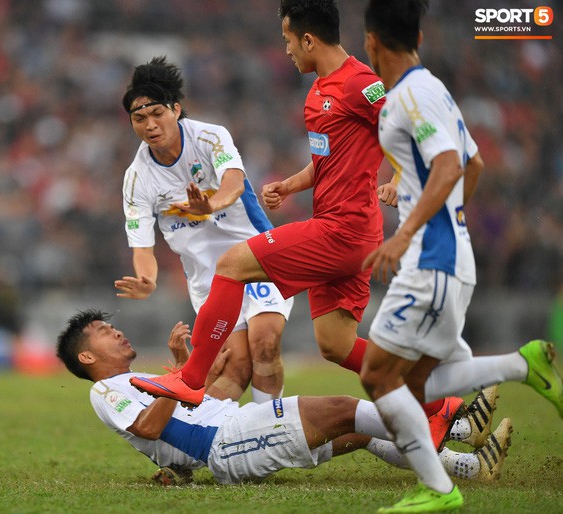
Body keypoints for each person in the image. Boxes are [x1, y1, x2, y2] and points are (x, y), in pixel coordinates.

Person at [128, 0, 450, 429]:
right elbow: (326, 162)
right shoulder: (317, 92)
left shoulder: (362, 84)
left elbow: (409, 130)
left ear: (309, 39)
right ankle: (440, 406)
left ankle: (190, 378)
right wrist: (291, 184)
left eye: (287, 41)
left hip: (344, 229)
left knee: (232, 264)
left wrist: (398, 178)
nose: (286, 51)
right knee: (335, 344)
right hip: (344, 229)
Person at [359, 1, 563, 512]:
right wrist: (428, 203)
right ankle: (523, 364)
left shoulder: (404, 98)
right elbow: (472, 165)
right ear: (419, 39)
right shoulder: (435, 90)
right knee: (417, 382)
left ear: (370, 42)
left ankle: (438, 488)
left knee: (378, 377)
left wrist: (409, 231)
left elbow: (452, 165)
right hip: (450, 258)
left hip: (430, 263)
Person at [56, 309, 512, 488]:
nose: (116, 331)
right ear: (88, 354)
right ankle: (457, 425)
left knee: (355, 430)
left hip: (235, 427)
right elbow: (151, 429)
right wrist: (177, 376)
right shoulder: (105, 390)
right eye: (103, 332)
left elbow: (187, 410)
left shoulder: (137, 380)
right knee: (340, 407)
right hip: (226, 445)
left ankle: (467, 465)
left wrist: (185, 373)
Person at [117, 56, 293, 403]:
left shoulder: (211, 137)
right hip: (208, 281)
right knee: (237, 365)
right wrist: (147, 279)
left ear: (176, 109)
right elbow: (143, 247)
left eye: (157, 114)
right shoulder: (136, 178)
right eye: (139, 119)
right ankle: (193, 448)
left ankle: (273, 432)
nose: (150, 125)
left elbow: (235, 183)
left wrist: (209, 206)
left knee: (265, 343)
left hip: (255, 258)